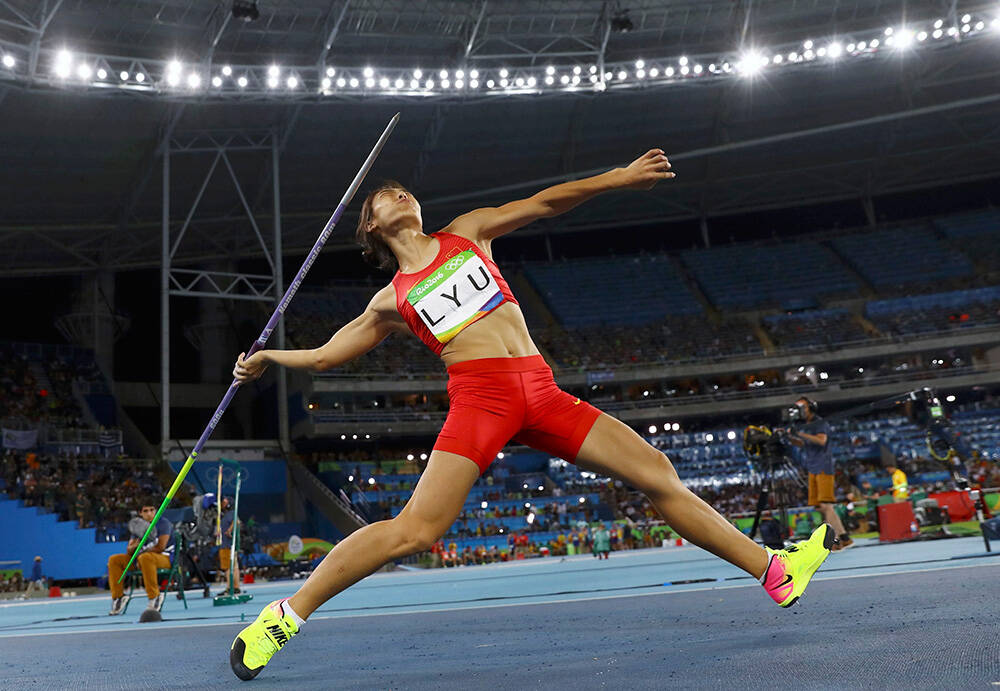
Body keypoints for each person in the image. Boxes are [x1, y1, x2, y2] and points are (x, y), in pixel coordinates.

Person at [228, 151, 834, 680]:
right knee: (416, 531)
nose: (399, 195)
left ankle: (772, 571)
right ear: (372, 226)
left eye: (404, 190)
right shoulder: (389, 300)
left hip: (540, 391)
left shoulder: (467, 233)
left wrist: (619, 179)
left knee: (654, 471)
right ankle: (283, 618)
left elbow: (545, 204)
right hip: (481, 399)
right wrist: (267, 357)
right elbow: (327, 354)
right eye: (384, 197)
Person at [786, 397, 853, 552]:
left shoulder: (819, 422)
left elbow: (822, 441)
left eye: (802, 407)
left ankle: (835, 541)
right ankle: (844, 538)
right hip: (813, 468)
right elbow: (803, 444)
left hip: (823, 467)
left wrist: (801, 434)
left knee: (826, 505)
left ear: (810, 407)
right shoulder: (805, 426)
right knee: (821, 507)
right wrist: (790, 437)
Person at [107, 499, 173, 615]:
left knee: (145, 558)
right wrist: (136, 547)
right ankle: (118, 597)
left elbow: (161, 547)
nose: (149, 513)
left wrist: (140, 552)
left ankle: (155, 596)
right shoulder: (138, 526)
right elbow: (129, 549)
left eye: (152, 510)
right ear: (140, 513)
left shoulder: (163, 523)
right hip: (142, 559)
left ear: (156, 511)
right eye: (145, 511)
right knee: (115, 560)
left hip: (164, 558)